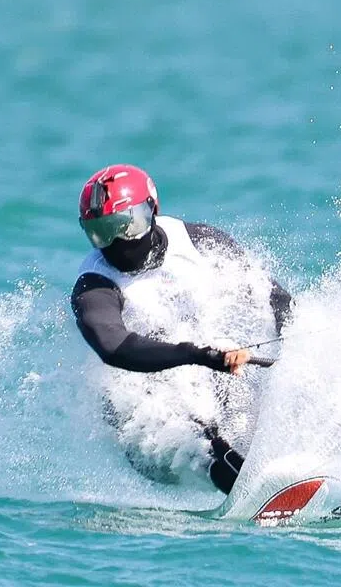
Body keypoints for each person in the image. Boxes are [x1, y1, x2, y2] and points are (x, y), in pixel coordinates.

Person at [70, 163, 292, 494]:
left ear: (152, 210)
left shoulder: (199, 242)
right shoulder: (94, 287)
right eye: (102, 231)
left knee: (244, 385)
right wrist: (195, 355)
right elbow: (114, 347)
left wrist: (297, 349)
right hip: (141, 419)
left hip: (205, 375)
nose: (118, 242)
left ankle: (294, 475)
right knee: (196, 429)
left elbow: (273, 297)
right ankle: (251, 489)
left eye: (127, 226)